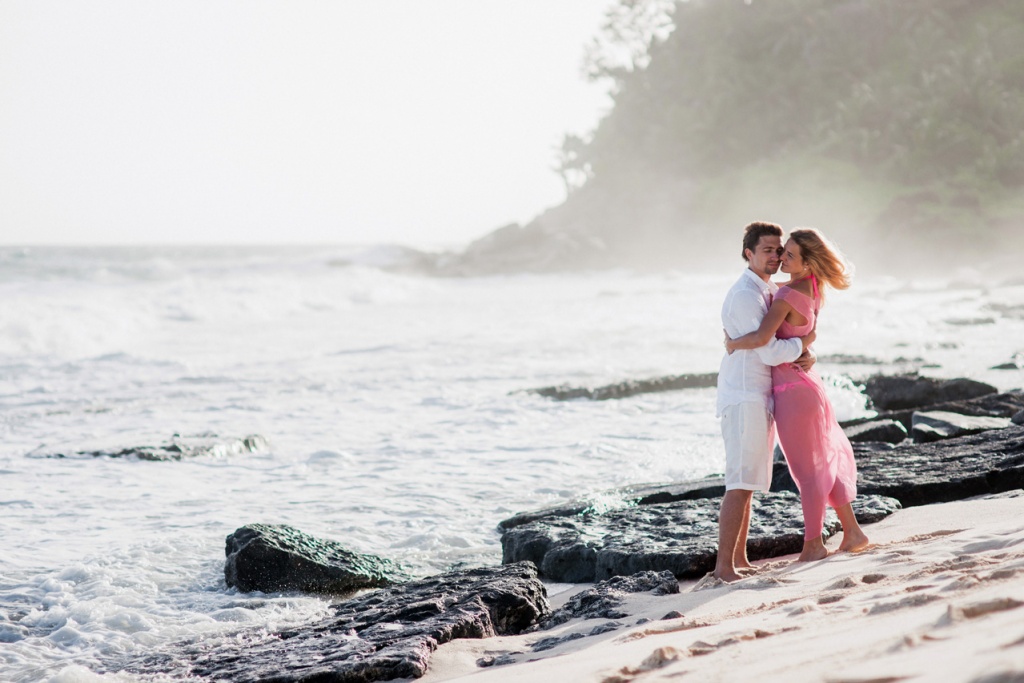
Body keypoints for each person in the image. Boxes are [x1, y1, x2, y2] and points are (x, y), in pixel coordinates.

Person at [725, 228, 870, 562]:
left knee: (807, 472)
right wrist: (808, 347)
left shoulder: (787, 294)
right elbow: (804, 332)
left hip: (792, 392)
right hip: (807, 385)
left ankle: (813, 544)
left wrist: (732, 343)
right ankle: (852, 532)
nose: (781, 258)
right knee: (822, 461)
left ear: (807, 262)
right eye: (780, 251)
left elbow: (762, 338)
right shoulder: (814, 288)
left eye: (788, 254)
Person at [714, 222, 817, 583]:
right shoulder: (746, 295)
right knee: (739, 482)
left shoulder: (767, 289)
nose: (775, 256)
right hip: (743, 396)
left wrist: (806, 353)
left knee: (749, 483)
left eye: (778, 250)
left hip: (758, 395)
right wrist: (804, 344)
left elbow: (775, 341)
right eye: (767, 250)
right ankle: (724, 567)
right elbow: (770, 351)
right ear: (749, 254)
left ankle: (739, 559)